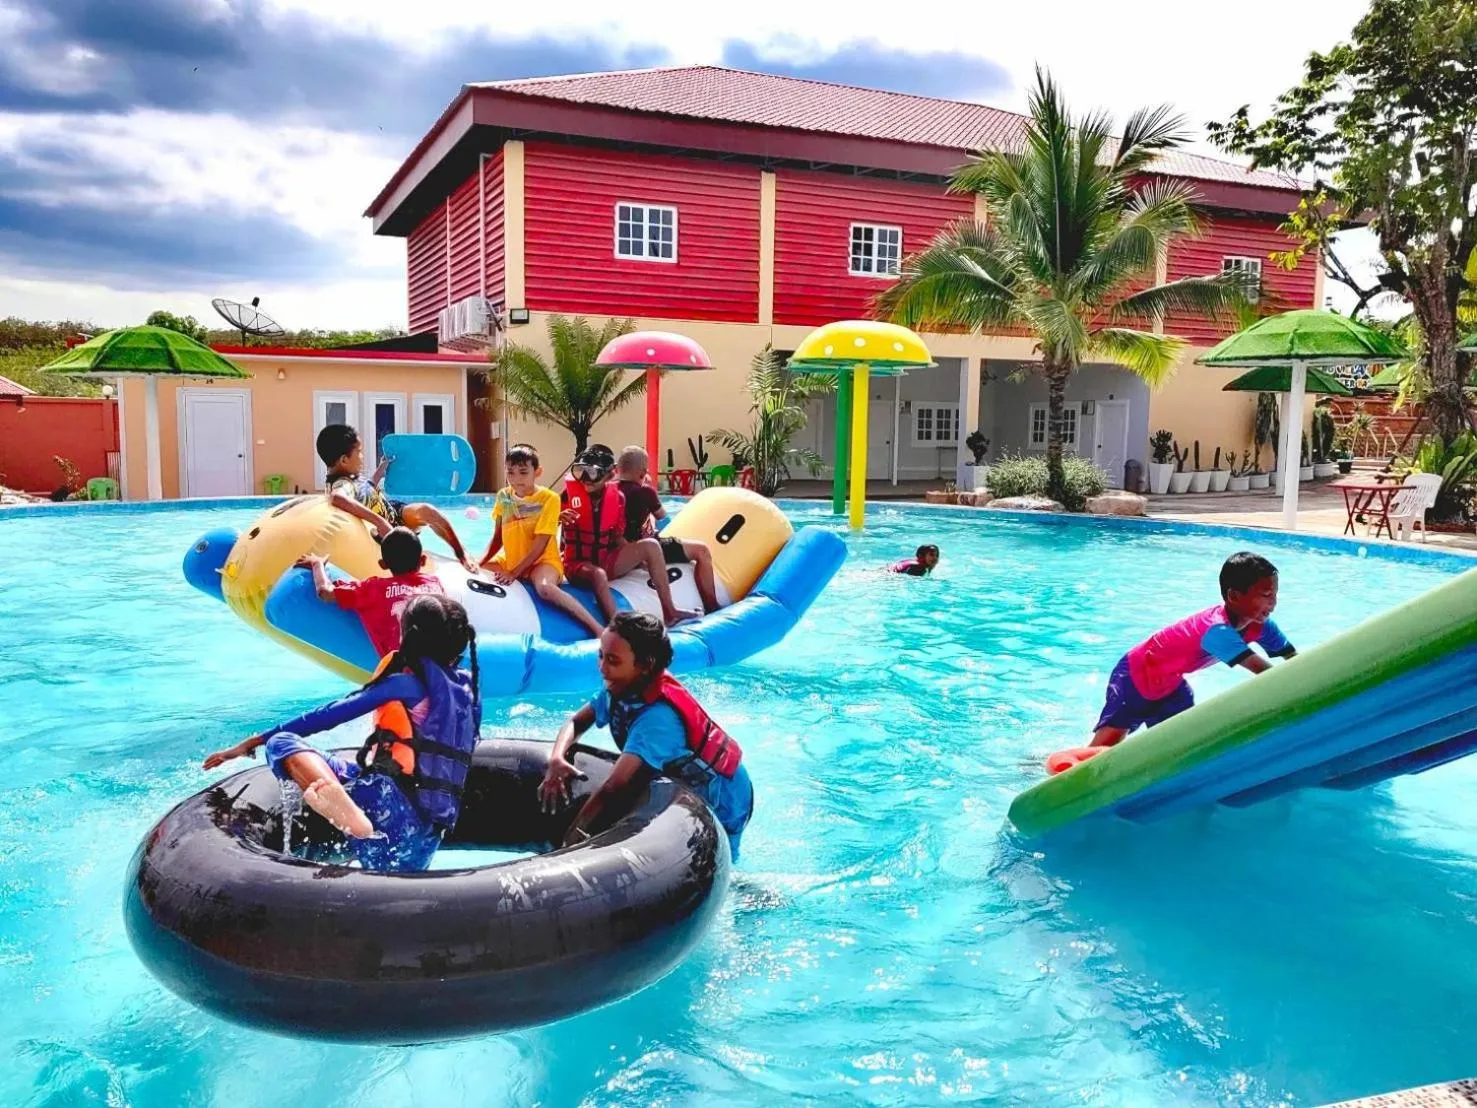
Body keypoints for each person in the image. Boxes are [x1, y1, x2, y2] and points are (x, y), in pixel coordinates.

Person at [201, 594, 481, 872]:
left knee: (281, 743)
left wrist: (256, 740)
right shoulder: (471, 696)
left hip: (384, 812)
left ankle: (346, 812)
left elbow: (327, 715)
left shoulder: (405, 685)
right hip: (423, 841)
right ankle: (348, 809)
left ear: (409, 635)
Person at [538, 611, 754, 862]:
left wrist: (569, 844)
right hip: (691, 779)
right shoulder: (621, 687)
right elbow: (577, 721)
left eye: (613, 661)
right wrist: (556, 758)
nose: (602, 668)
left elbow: (614, 787)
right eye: (600, 656)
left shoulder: (658, 720)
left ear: (644, 666)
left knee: (717, 861)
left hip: (726, 795)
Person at [1089, 551, 1297, 749]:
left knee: (1179, 742)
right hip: (1135, 675)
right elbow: (1265, 673)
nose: (1273, 601)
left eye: (1275, 593)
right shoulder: (1216, 630)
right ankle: (1069, 771)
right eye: (1266, 594)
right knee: (1109, 741)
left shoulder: (1261, 625)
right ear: (1233, 596)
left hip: (1171, 684)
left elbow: (1293, 659)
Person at [560, 447, 699, 626]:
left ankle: (669, 610)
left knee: (650, 545)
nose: (585, 479)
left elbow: (617, 537)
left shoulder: (617, 498)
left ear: (610, 475)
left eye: (592, 473)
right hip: (577, 566)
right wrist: (557, 516)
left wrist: (640, 560)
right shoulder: (568, 496)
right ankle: (617, 626)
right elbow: (542, 521)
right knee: (599, 574)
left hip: (605, 560)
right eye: (581, 471)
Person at [480, 443, 604, 637]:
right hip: (511, 559)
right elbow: (498, 537)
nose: (516, 479)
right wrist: (479, 562)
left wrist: (514, 573)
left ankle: (597, 628)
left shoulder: (550, 499)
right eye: (510, 473)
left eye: (523, 472)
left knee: (545, 589)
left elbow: (541, 544)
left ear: (537, 472)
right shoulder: (504, 496)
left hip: (542, 562)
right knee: (476, 569)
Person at [316, 423, 476, 573]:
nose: (362, 457)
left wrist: (381, 468)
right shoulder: (341, 483)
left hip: (394, 512)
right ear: (344, 460)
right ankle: (462, 555)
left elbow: (367, 488)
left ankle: (461, 552)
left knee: (428, 511)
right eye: (359, 452)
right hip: (389, 532)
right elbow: (337, 498)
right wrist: (380, 522)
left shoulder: (349, 475)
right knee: (427, 514)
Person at [296, 526, 444, 656]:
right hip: (444, 667)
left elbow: (325, 592)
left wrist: (317, 564)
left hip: (406, 672)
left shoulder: (373, 589)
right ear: (423, 560)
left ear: (383, 564)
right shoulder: (435, 584)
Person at [613, 445, 721, 613]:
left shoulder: (609, 491)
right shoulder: (644, 492)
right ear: (642, 472)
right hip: (644, 550)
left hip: (618, 554)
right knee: (702, 551)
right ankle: (712, 606)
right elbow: (665, 521)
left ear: (617, 469)